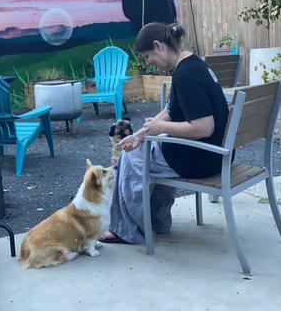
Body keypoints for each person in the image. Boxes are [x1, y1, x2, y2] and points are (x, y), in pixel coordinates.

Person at [99, 22, 230, 244]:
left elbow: (204, 127)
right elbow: (171, 110)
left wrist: (160, 130)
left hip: (203, 159)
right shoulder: (192, 63)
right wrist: (139, 135)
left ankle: (127, 230)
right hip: (218, 154)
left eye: (147, 56)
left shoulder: (185, 76)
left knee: (131, 157)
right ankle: (158, 222)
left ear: (159, 46)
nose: (148, 63)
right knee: (147, 147)